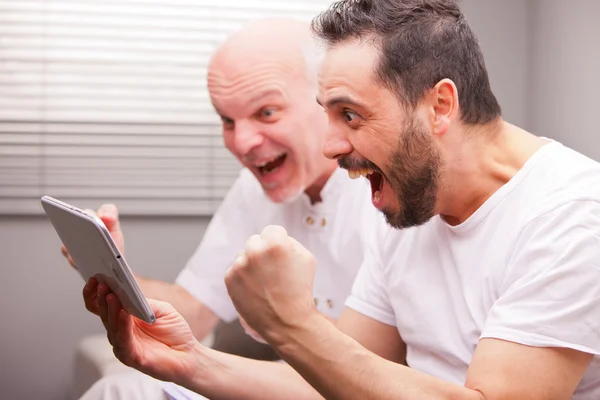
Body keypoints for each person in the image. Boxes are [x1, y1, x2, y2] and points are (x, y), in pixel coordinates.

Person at [81, 0, 600, 399]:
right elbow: (329, 380)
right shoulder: (411, 204)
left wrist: (291, 323)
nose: (331, 146)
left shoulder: (572, 215)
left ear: (439, 105)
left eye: (350, 115)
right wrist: (187, 362)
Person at [70, 17, 383, 400]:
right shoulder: (255, 188)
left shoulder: (387, 194)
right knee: (118, 390)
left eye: (266, 112)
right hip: (283, 384)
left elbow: (371, 375)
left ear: (327, 101)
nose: (242, 142)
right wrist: (114, 272)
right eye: (227, 120)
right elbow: (196, 310)